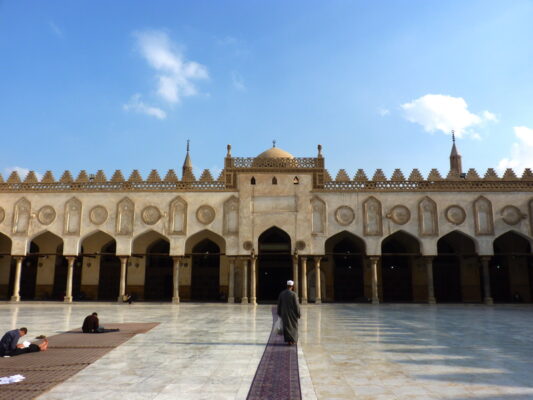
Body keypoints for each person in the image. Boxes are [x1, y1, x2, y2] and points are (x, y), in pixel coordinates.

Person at [277, 280, 301, 345]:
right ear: (292, 286)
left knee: (286, 327)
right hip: (292, 314)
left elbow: (279, 304)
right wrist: (298, 313)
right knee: (293, 327)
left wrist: (279, 313)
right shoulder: (294, 294)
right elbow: (296, 305)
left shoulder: (282, 294)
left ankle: (288, 341)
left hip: (284, 313)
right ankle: (293, 340)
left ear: (287, 286)